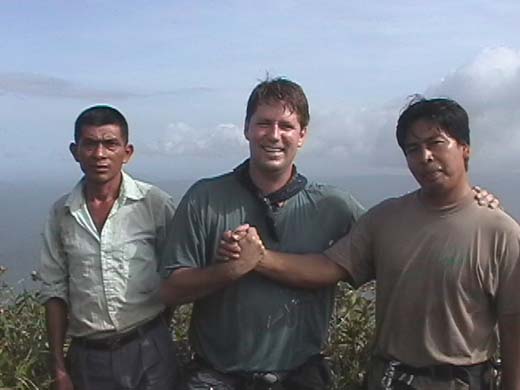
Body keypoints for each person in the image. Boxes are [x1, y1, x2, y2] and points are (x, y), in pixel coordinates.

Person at [233, 97, 520, 389]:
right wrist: (259, 258)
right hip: (389, 379)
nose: (425, 156)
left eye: (436, 143)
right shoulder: (386, 218)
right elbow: (328, 266)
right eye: (413, 149)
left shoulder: (500, 232)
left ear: (465, 149)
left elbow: (513, 329)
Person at [160, 77, 365, 390]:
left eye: (286, 126)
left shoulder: (333, 206)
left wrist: (462, 202)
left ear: (302, 135)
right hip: (217, 377)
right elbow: (171, 289)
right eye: (264, 124)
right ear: (246, 129)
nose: (274, 135)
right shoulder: (205, 199)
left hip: (301, 376)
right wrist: (228, 270)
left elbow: (391, 242)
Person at [38, 105, 178, 390]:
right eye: (90, 144)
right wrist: (59, 367)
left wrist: (158, 329)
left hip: (150, 348)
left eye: (110, 144)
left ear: (127, 152)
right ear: (75, 151)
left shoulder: (155, 203)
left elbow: (178, 271)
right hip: (88, 357)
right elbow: (54, 292)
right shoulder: (61, 214)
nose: (99, 154)